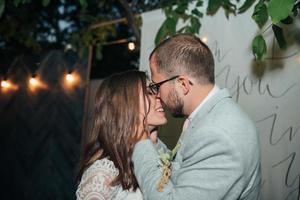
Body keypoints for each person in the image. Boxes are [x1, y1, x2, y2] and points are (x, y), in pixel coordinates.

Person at [132, 34, 262, 200]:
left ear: (182, 84)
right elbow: (185, 169)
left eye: (157, 85)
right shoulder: (210, 115)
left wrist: (140, 141)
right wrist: (154, 144)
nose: (157, 94)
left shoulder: (217, 134)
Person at [76, 70, 167, 200]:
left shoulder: (157, 153)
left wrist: (152, 141)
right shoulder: (103, 172)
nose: (159, 96)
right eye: (149, 91)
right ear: (127, 105)